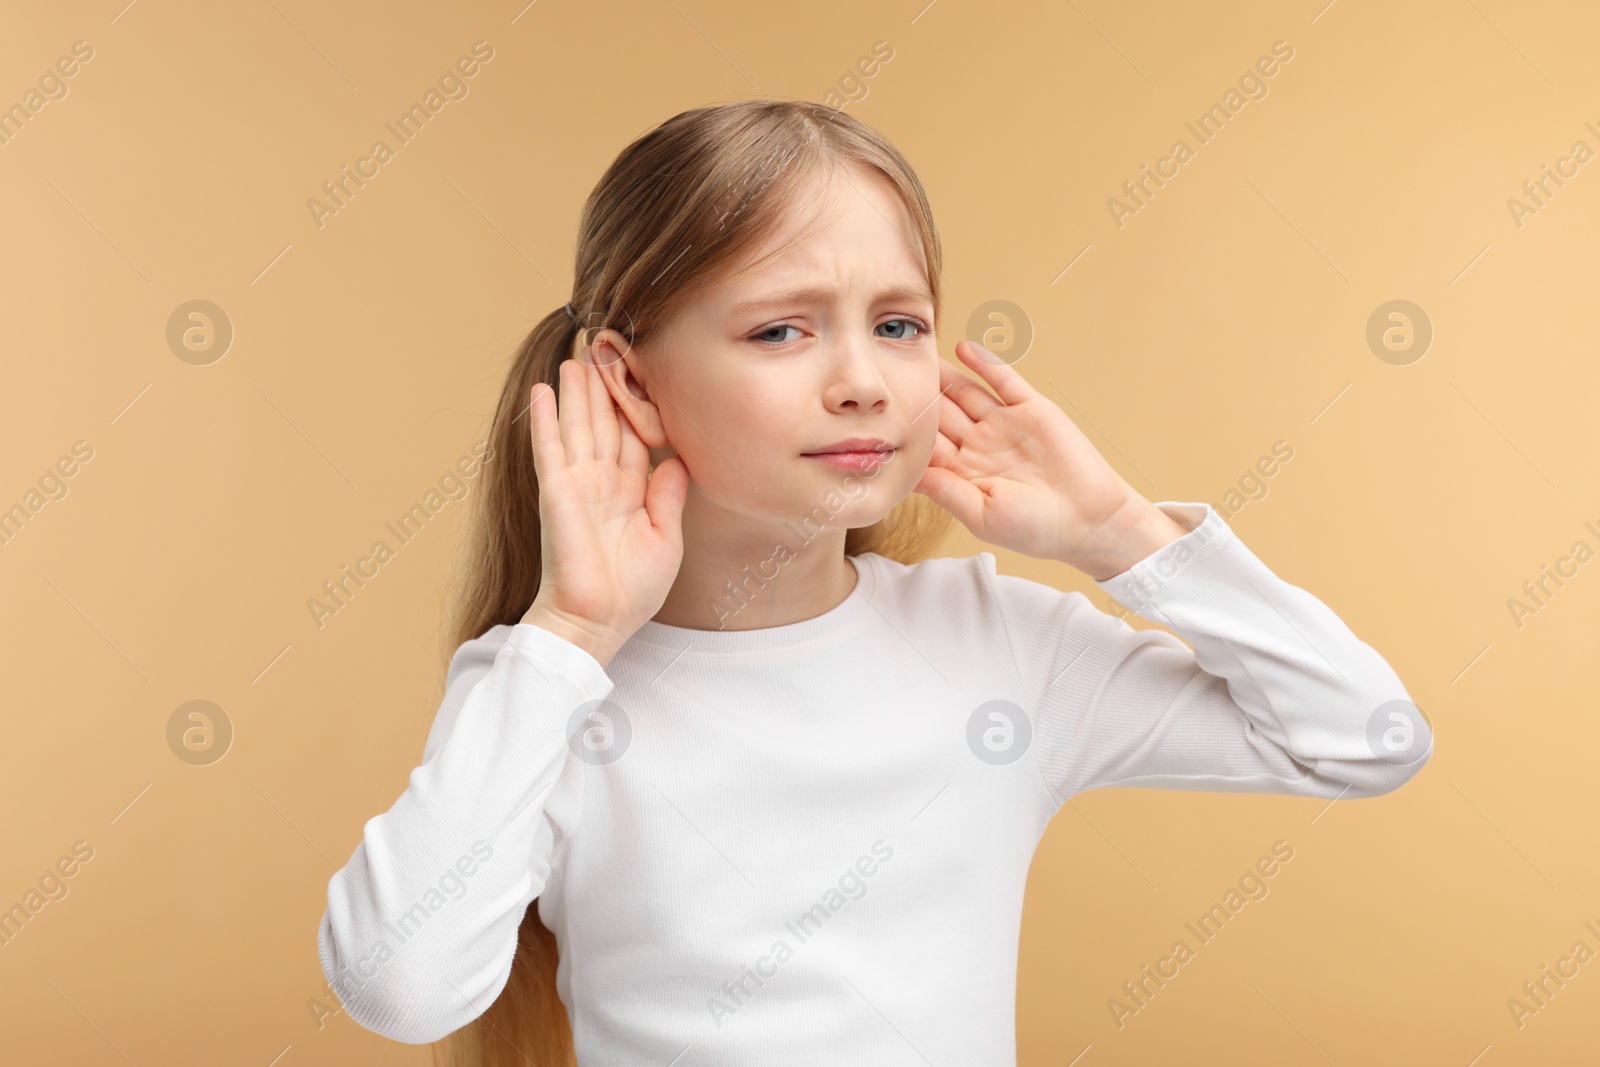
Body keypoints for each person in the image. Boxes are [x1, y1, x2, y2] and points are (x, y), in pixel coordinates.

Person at [317, 98, 1432, 1064]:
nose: (861, 380)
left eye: (898, 324)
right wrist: (566, 632)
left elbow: (1366, 734)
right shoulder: (552, 689)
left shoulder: (999, 646)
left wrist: (1119, 534)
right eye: (780, 330)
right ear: (628, 380)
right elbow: (400, 987)